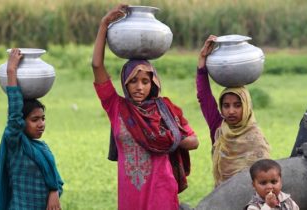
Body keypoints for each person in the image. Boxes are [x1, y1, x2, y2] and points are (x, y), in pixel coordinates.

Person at [92, 4, 199, 210]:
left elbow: (194, 141)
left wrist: (169, 137)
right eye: (133, 81)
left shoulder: (166, 109)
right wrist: (104, 25)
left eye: (145, 81)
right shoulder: (116, 107)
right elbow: (97, 66)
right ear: (125, 82)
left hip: (161, 188)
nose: (139, 87)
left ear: (153, 83)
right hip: (130, 192)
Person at [0, 48, 63, 210]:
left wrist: (54, 191)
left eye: (43, 118)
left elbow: (56, 180)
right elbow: (14, 116)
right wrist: (11, 70)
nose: (41, 124)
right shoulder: (16, 144)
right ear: (21, 123)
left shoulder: (42, 148)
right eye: (34, 119)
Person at [196, 35, 270, 186]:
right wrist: (203, 59)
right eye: (226, 105)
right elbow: (204, 98)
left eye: (237, 105)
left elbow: (266, 181)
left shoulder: (256, 139)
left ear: (247, 106)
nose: (231, 111)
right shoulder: (218, 128)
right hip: (221, 198)